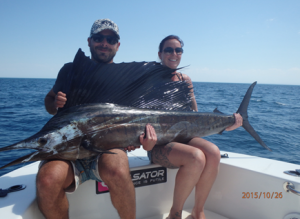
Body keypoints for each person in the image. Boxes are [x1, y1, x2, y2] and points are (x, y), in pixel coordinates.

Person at [38, 19, 155, 219]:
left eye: (110, 39)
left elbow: (139, 120)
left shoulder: (125, 81)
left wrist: (139, 139)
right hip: (67, 150)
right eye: (99, 38)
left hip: (107, 148)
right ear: (89, 41)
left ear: (118, 45)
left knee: (117, 170)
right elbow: (49, 103)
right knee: (47, 180)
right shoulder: (70, 70)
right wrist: (55, 103)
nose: (104, 43)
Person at [144, 35, 243, 219]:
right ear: (160, 54)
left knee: (213, 152)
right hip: (158, 146)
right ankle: (175, 214)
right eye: (169, 50)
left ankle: (198, 212)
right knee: (196, 157)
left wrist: (226, 126)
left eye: (178, 50)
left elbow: (195, 116)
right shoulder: (149, 81)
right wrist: (146, 143)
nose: (174, 54)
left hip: (185, 139)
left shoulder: (185, 79)